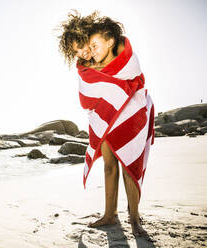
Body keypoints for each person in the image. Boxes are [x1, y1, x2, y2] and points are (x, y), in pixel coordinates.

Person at [57, 10, 154, 237]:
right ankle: (110, 214)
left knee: (129, 164)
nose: (84, 52)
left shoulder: (116, 52)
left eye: (86, 45)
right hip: (103, 116)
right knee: (109, 165)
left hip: (128, 111)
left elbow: (131, 73)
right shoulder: (83, 66)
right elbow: (87, 96)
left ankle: (134, 219)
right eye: (78, 50)